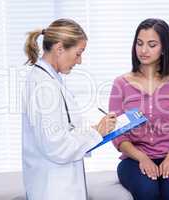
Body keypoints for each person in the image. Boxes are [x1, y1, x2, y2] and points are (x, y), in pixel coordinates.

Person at [22, 18, 116, 200]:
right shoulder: (43, 87)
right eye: (78, 53)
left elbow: (64, 130)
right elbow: (57, 147)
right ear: (59, 49)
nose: (79, 61)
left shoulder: (49, 81)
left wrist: (97, 130)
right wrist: (96, 134)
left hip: (57, 185)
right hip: (53, 189)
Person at [109, 18, 169, 200]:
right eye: (139, 43)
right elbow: (117, 134)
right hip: (133, 159)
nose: (143, 50)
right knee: (148, 191)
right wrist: (142, 157)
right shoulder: (120, 84)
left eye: (151, 44)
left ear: (164, 48)